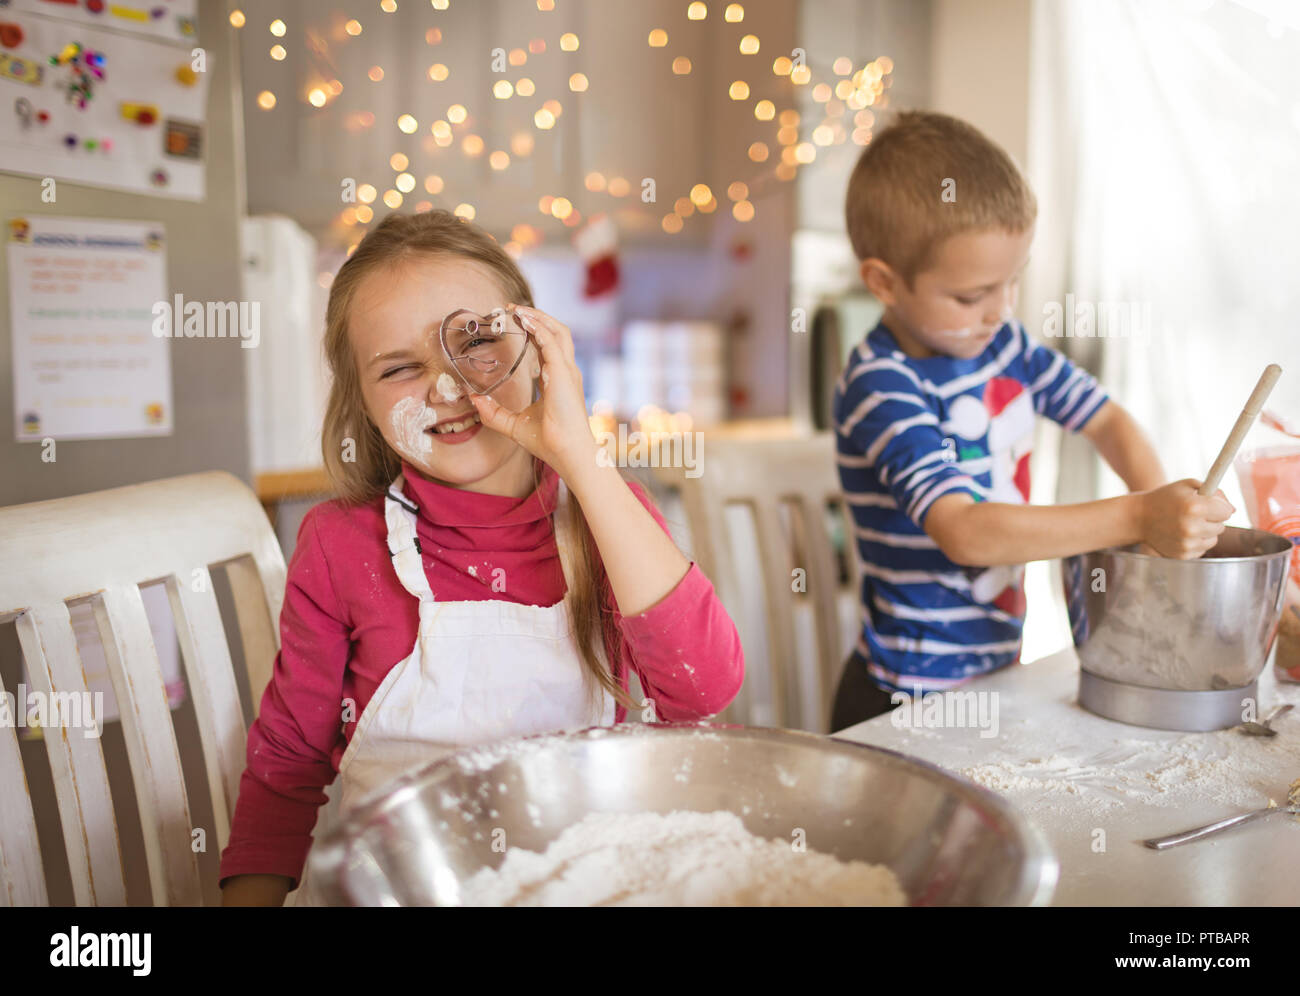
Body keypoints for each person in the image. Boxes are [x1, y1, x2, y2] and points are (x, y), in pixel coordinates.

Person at [219, 210, 744, 905]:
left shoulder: (605, 518)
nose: (446, 387)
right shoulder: (340, 545)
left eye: (476, 344)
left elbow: (703, 692)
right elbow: (286, 769)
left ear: (536, 349)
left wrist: (582, 460)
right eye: (401, 368)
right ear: (362, 404)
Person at [830, 111, 1232, 730]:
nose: (999, 310)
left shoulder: (1005, 348)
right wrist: (1136, 516)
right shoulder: (881, 385)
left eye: (1011, 283)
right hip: (906, 702)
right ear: (884, 282)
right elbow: (964, 531)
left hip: (996, 674)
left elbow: (1106, 420)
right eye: (971, 295)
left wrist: (1156, 513)